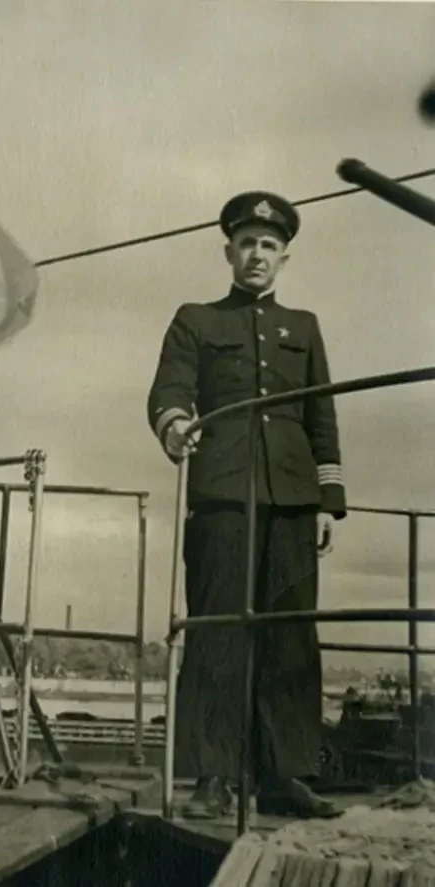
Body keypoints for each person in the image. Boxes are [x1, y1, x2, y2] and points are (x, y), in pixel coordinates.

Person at [147, 191, 347, 820]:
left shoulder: (304, 327)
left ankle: (284, 775)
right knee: (217, 631)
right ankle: (213, 776)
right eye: (246, 244)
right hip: (223, 493)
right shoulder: (196, 320)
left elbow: (320, 414)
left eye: (268, 245)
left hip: (292, 498)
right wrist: (175, 424)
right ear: (228, 252)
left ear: (284, 256)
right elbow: (169, 391)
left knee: (291, 635)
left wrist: (328, 500)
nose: (257, 254)